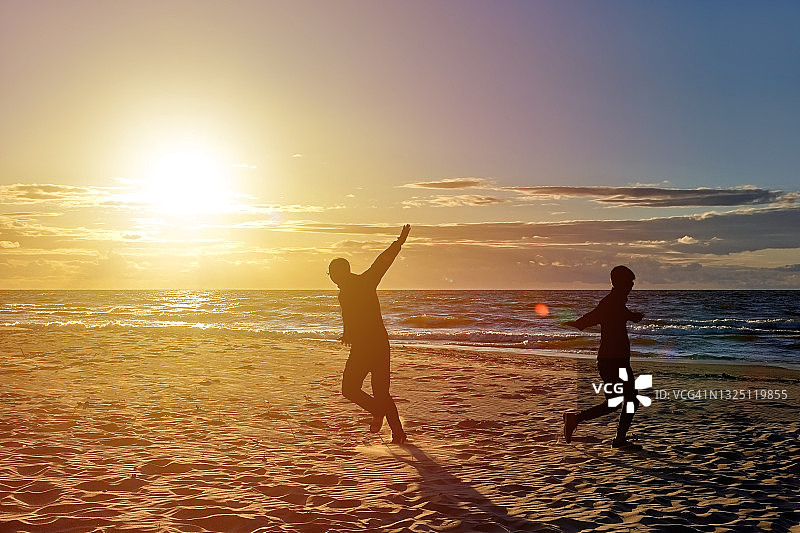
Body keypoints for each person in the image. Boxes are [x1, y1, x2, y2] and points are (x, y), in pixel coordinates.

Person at [328, 224, 410, 444]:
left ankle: (377, 411)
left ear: (342, 272)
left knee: (349, 389)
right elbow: (352, 315)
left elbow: (381, 263)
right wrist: (347, 333)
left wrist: (398, 243)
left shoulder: (364, 281)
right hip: (379, 344)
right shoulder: (346, 289)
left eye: (333, 273)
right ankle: (399, 434)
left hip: (367, 347)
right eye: (330, 274)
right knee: (381, 393)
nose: (331, 278)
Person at [563, 265, 645, 450]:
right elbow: (594, 319)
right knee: (629, 400)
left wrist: (578, 323)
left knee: (616, 402)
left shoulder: (613, 302)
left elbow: (588, 320)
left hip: (614, 362)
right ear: (620, 283)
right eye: (629, 283)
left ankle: (576, 419)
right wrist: (576, 323)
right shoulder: (612, 303)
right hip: (613, 362)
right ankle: (619, 439)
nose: (632, 286)